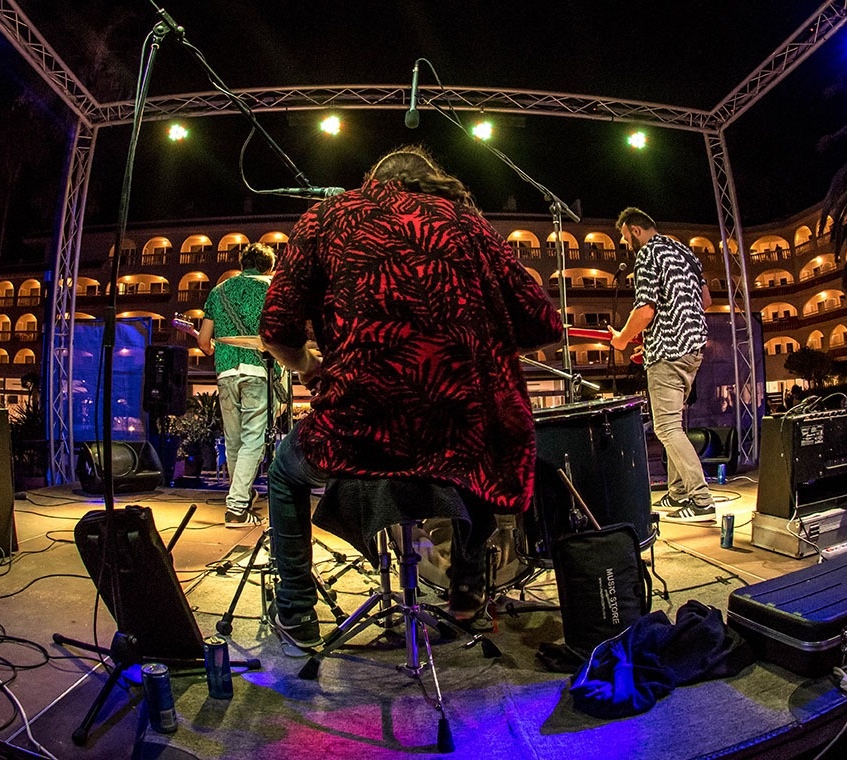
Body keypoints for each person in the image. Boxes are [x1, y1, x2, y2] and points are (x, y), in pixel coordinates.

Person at [259, 146, 563, 653]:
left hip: (361, 427)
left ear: (371, 180)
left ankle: (296, 615)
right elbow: (544, 322)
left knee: (285, 471)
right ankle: (467, 588)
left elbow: (275, 329)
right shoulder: (469, 224)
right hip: (457, 425)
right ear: (435, 183)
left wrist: (313, 368)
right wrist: (476, 340)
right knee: (482, 448)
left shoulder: (329, 216)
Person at [608, 207, 714, 523]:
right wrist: (666, 329)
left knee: (665, 428)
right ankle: (678, 492)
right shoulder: (684, 251)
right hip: (693, 347)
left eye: (625, 237)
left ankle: (701, 500)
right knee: (673, 425)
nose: (626, 244)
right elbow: (705, 300)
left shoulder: (647, 255)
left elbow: (645, 310)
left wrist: (623, 339)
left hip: (668, 353)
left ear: (634, 229)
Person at [197, 242, 281, 527]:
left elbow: (203, 342)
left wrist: (216, 350)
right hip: (258, 370)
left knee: (233, 440)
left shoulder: (219, 290)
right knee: (253, 440)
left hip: (225, 372)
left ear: (242, 263)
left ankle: (240, 494)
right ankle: (236, 508)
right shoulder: (273, 288)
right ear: (269, 266)